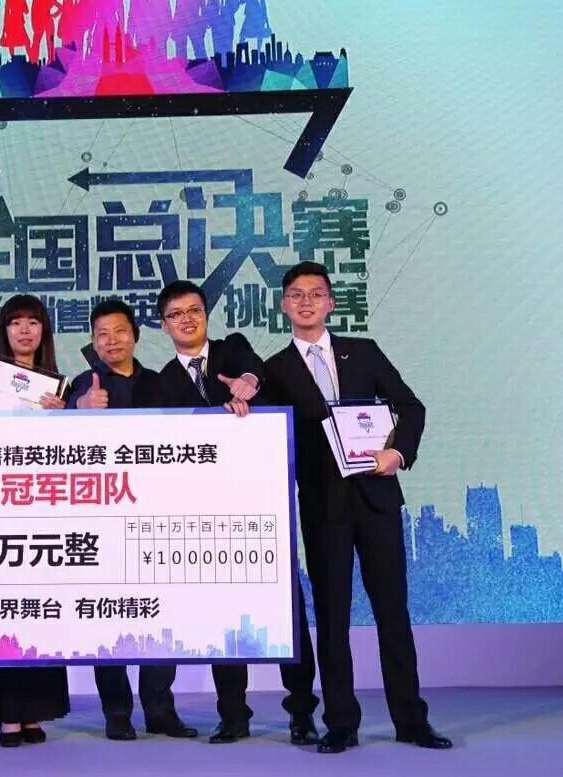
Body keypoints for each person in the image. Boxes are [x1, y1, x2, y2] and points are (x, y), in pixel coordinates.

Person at [264, 261, 452, 754]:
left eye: (316, 293)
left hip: (376, 498)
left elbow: (411, 406)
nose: (306, 302)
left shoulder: (363, 351)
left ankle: (411, 720)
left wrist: (398, 453)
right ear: (283, 305)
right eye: (296, 294)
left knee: (393, 612)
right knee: (332, 618)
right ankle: (341, 723)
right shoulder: (274, 370)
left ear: (330, 302)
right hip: (322, 506)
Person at [143, 279, 321, 746]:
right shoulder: (161, 383)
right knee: (224, 618)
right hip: (205, 519)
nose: (186, 320)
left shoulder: (232, 350)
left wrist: (249, 383)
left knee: (287, 613)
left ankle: (302, 712)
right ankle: (233, 716)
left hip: (261, 509)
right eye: (176, 314)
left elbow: (253, 370)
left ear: (206, 314)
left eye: (194, 310)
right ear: (163, 325)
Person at [66, 299, 197, 742]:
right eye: (101, 334)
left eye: (119, 331)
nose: (111, 341)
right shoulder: (81, 386)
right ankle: (117, 712)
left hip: (157, 518)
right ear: (93, 341)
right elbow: (58, 445)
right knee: (107, 618)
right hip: (101, 521)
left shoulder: (162, 383)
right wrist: (78, 409)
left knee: (162, 614)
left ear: (136, 336)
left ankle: (160, 710)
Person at [0, 294, 70, 747]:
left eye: (33, 322)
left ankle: (34, 712)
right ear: (3, 331)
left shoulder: (60, 386)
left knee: (41, 610)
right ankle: (7, 714)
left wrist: (66, 418)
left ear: (44, 331)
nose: (24, 331)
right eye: (15, 323)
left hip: (44, 506)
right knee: (3, 611)